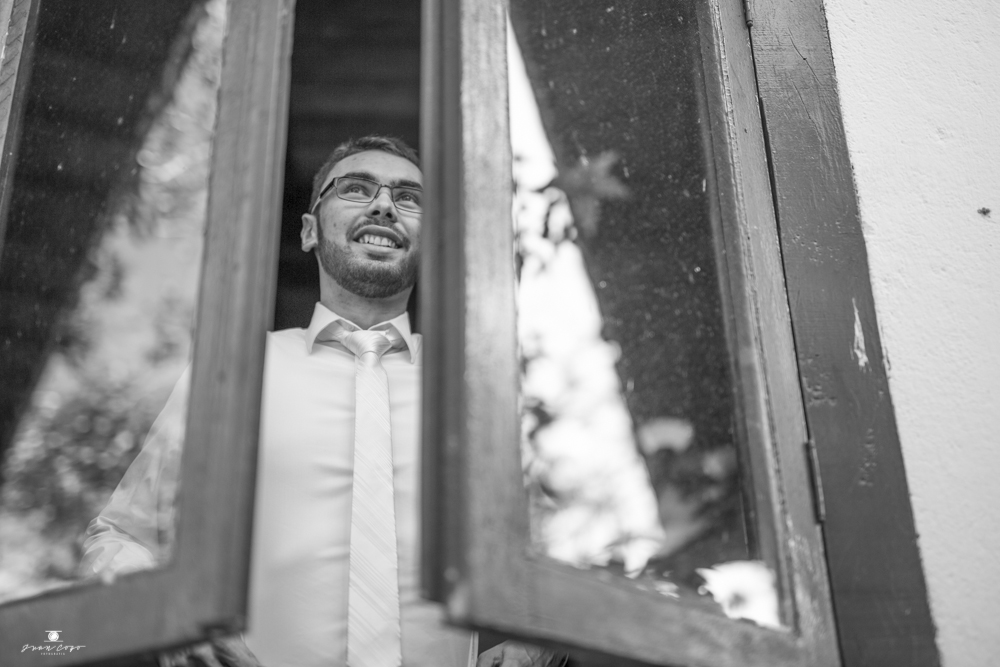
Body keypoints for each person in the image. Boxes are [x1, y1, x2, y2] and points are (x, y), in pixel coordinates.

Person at [82, 136, 560, 667]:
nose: (384, 205)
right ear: (309, 230)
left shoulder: (475, 388)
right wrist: (171, 626)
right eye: (356, 189)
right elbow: (120, 534)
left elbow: (558, 552)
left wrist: (536, 646)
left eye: (410, 198)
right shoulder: (232, 371)